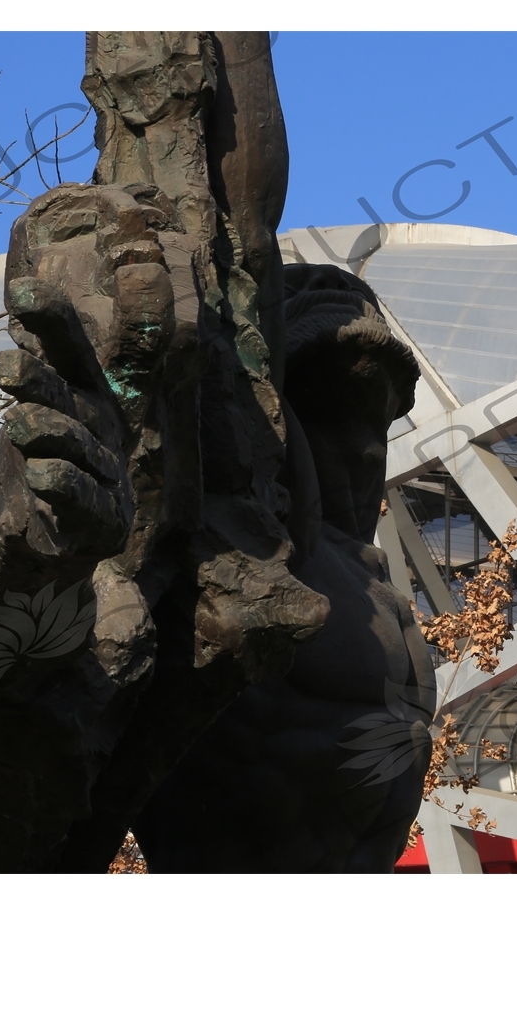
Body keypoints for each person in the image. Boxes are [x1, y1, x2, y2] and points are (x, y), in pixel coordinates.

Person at [134, 264, 436, 871]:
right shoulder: (231, 556)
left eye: (377, 425)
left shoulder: (373, 587)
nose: (365, 451)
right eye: (332, 418)